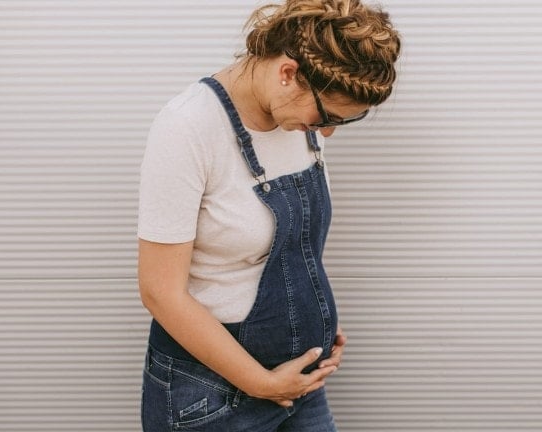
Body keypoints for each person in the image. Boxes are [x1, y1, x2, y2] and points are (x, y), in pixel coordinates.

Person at [137, 0, 400, 430]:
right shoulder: (187, 128)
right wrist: (260, 382)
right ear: (288, 74)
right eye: (328, 115)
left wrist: (312, 316)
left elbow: (287, 248)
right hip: (209, 396)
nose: (327, 131)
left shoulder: (297, 119)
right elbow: (159, 292)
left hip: (297, 379)